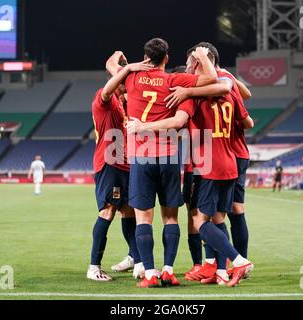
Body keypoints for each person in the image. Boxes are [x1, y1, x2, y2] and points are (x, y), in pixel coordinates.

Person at [127, 42, 253, 287]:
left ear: (199, 61)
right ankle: (220, 271)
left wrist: (186, 92)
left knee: (198, 221)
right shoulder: (226, 90)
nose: (186, 68)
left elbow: (179, 120)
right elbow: (246, 119)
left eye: (189, 63)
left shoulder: (196, 92)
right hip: (231, 159)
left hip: (207, 164)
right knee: (221, 218)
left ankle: (238, 260)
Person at [109, 38, 218, 288]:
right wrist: (201, 55)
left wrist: (126, 64)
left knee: (143, 219)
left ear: (145, 57)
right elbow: (212, 78)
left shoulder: (132, 79)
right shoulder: (174, 81)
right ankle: (168, 271)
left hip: (141, 157)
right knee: (171, 219)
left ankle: (149, 275)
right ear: (167, 58)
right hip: (169, 157)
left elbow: (110, 67)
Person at [86, 56, 153, 282]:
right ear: (118, 80)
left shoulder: (123, 103)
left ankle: (136, 258)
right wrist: (123, 62)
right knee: (108, 211)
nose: (130, 85)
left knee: (128, 210)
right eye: (126, 81)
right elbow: (111, 63)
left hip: (125, 163)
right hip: (109, 163)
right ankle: (94, 266)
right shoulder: (103, 98)